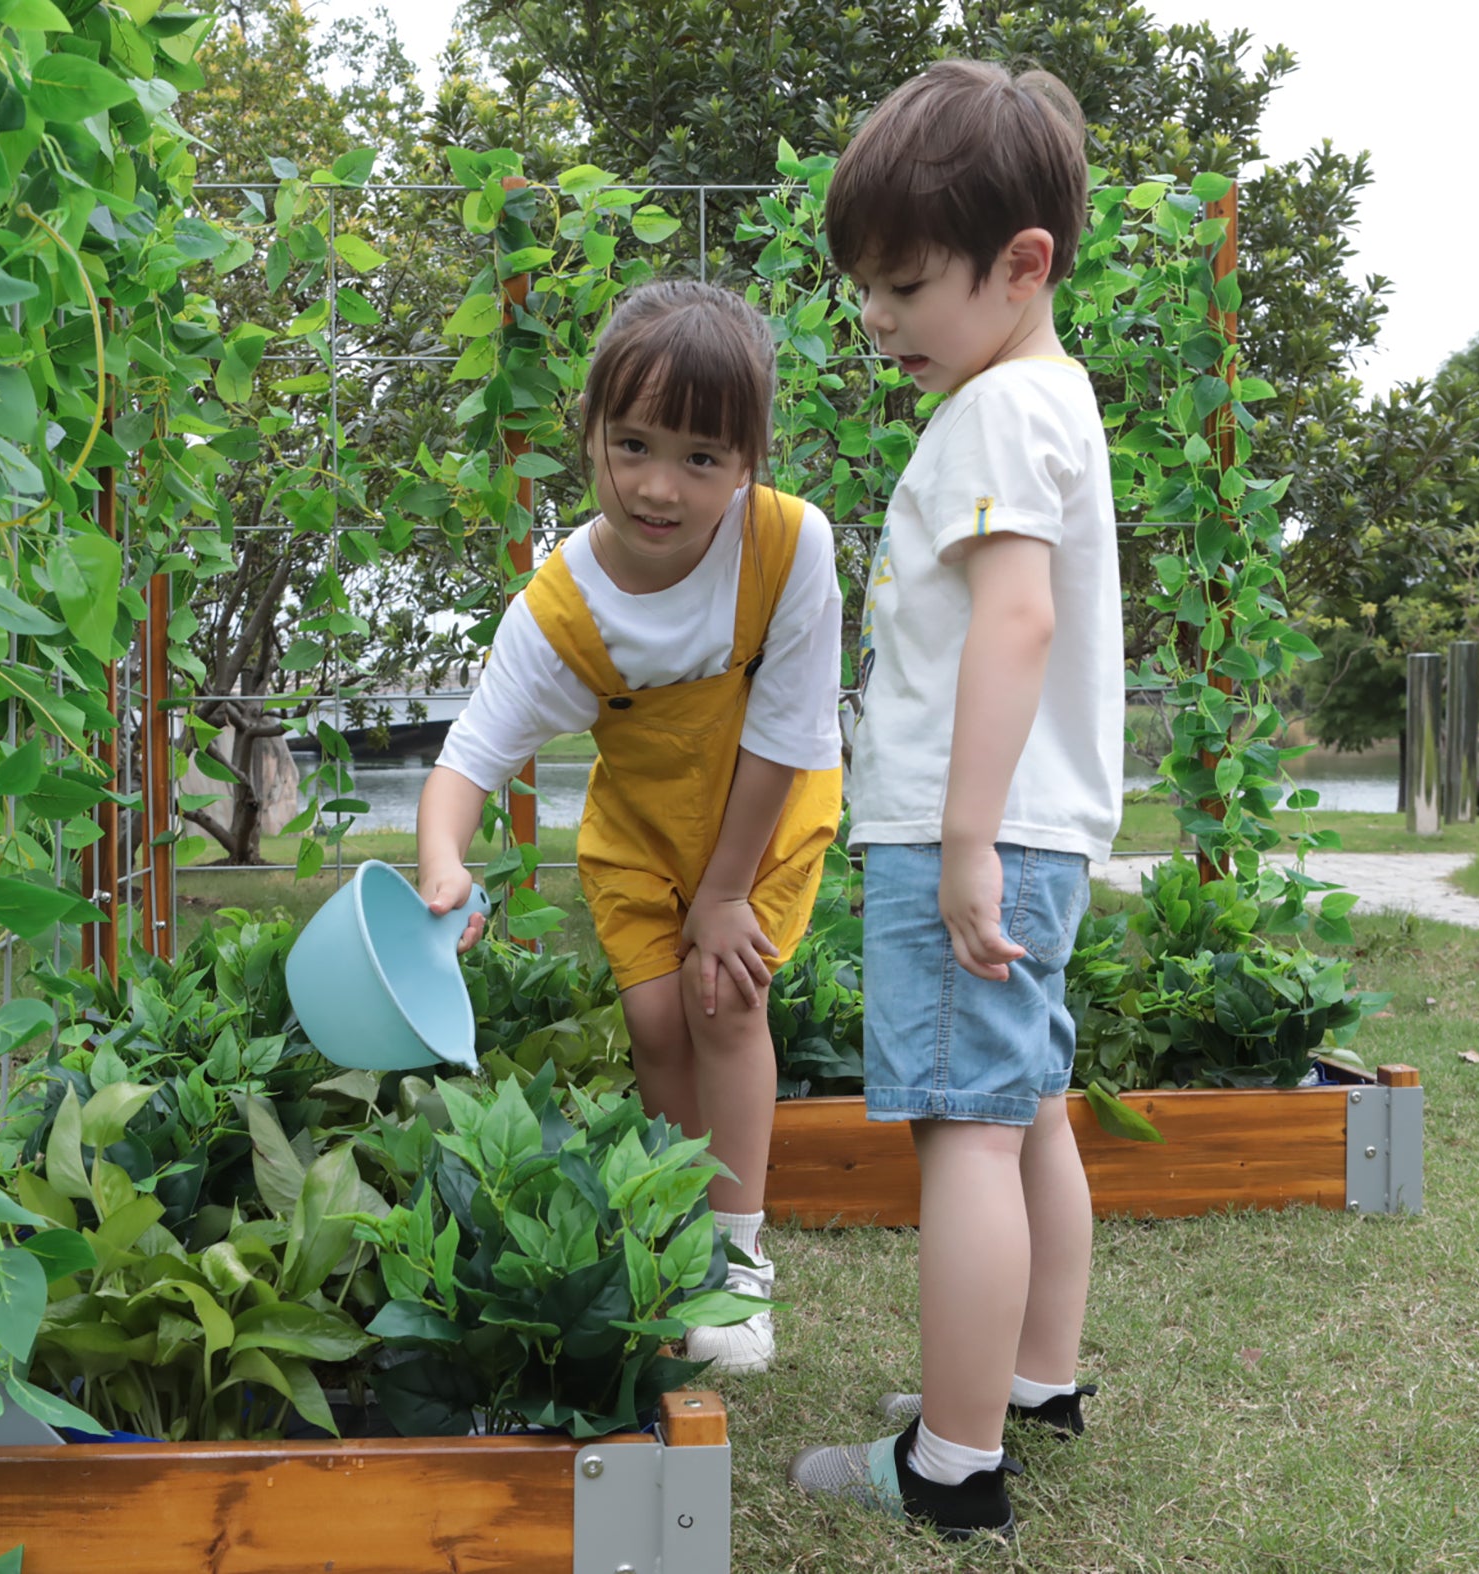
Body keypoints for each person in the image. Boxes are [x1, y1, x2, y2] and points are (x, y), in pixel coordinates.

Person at [785, 60, 1120, 1539]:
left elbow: (1014, 625)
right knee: (1027, 1102)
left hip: (964, 826)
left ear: (1020, 265)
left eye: (906, 283)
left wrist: (964, 835)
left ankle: (951, 1461)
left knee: (962, 1133)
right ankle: (1032, 1375)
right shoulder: (1051, 399)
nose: (877, 317)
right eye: (865, 284)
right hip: (1037, 826)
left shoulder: (990, 419)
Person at [415, 279, 844, 1376]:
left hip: (763, 812)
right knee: (655, 1023)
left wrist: (724, 893)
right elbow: (470, 755)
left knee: (721, 994)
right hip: (641, 834)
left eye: (701, 457)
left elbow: (786, 735)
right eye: (634, 444)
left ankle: (735, 1258)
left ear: (749, 459)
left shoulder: (790, 546)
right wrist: (440, 862)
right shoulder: (558, 606)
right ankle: (673, 1218)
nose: (659, 486)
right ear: (590, 432)